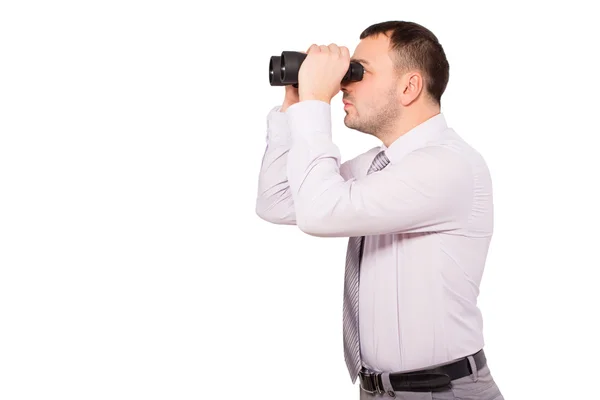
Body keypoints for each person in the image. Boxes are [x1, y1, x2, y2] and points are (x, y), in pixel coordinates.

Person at [255, 20, 504, 400]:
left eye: (359, 72)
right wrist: (294, 106)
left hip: (442, 392)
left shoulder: (447, 165)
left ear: (410, 87)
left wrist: (315, 105)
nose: (343, 85)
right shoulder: (379, 164)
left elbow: (321, 212)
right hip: (377, 391)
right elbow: (276, 200)